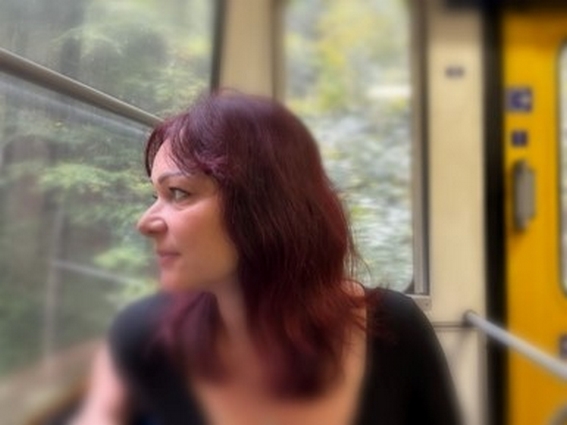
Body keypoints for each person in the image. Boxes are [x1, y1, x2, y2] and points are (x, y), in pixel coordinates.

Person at [72, 90, 461, 425]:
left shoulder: (393, 329)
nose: (145, 223)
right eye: (154, 195)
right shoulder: (143, 333)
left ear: (265, 207)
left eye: (178, 193)